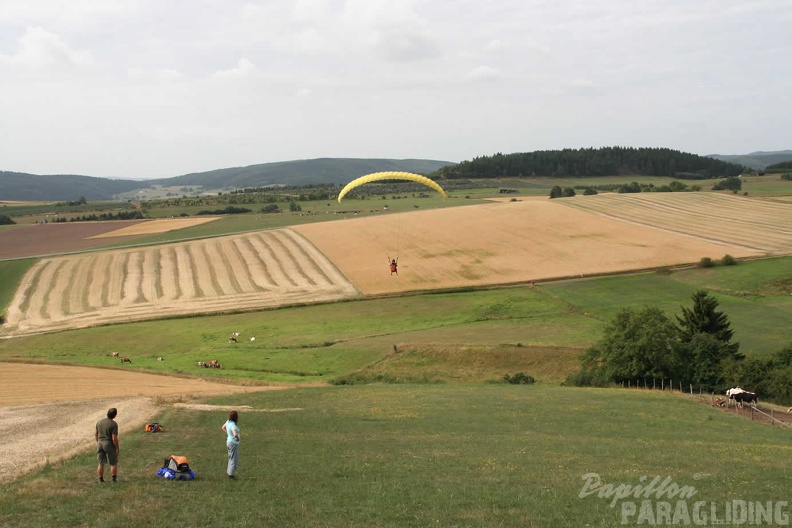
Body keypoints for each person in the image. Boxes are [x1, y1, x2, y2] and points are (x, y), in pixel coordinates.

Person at [95, 407, 119, 483]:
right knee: (113, 463)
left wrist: (98, 442)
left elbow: (96, 434)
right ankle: (113, 479)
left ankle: (100, 480)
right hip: (108, 444)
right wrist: (117, 448)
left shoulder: (99, 422)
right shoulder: (114, 424)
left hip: (100, 443)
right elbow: (114, 438)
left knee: (101, 463)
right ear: (115, 415)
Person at [221, 410, 241, 479]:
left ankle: (229, 472)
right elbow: (235, 434)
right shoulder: (233, 425)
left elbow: (223, 427)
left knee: (230, 457)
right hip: (233, 443)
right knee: (234, 459)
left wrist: (228, 433)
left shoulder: (228, 422)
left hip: (228, 442)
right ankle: (231, 475)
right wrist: (237, 438)